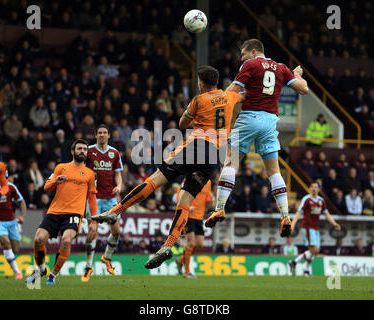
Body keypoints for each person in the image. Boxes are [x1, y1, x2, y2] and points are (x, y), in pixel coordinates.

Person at [93, 65, 244, 269]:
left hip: (197, 146)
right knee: (184, 201)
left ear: (201, 83)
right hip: (213, 158)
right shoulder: (230, 96)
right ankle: (167, 245)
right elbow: (245, 95)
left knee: (154, 180)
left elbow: (182, 124)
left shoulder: (199, 99)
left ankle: (116, 210)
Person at [205, 38, 308, 238]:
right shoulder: (281, 68)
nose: (241, 58)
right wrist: (296, 75)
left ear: (253, 51)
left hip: (249, 117)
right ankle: (285, 215)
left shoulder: (250, 64)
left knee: (230, 163)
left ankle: (219, 208)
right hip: (270, 121)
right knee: (273, 171)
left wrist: (220, 106)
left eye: (243, 54)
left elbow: (231, 93)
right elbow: (304, 89)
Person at [26, 139, 97, 285]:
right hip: (55, 211)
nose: (82, 151)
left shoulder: (90, 174)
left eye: (85, 149)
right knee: (38, 239)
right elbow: (46, 187)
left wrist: (93, 221)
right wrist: (56, 181)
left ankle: (53, 274)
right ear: (73, 151)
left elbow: (92, 199)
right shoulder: (61, 167)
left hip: (74, 214)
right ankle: (40, 269)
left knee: (66, 240)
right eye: (79, 149)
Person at [81, 124, 123, 282]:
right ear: (96, 135)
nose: (102, 135)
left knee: (117, 232)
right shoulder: (89, 151)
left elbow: (118, 174)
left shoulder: (114, 153)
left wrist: (119, 186)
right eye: (100, 133)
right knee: (92, 231)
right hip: (93, 198)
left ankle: (106, 258)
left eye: (105, 133)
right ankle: (88, 267)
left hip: (110, 198)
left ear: (109, 135)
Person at [288, 182, 341, 277]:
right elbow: (298, 213)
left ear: (319, 189)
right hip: (307, 227)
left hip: (315, 228)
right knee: (314, 250)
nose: (314, 189)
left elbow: (326, 214)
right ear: (309, 188)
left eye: (316, 187)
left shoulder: (321, 201)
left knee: (314, 251)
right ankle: (296, 263)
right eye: (312, 187)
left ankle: (304, 270)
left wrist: (334, 223)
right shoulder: (306, 199)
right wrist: (292, 224)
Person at [175, 180, 212, 278]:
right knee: (191, 243)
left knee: (199, 244)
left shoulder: (208, 182)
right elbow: (178, 195)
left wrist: (210, 200)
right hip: (188, 215)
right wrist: (187, 205)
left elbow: (206, 197)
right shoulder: (188, 179)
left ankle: (181, 260)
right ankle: (187, 271)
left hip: (199, 217)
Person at [0, 181, 26, 279]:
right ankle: (18, 272)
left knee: (15, 249)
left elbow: (21, 201)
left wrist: (22, 216)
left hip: (12, 222)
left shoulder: (11, 187)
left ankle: (8, 257)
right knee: (5, 242)